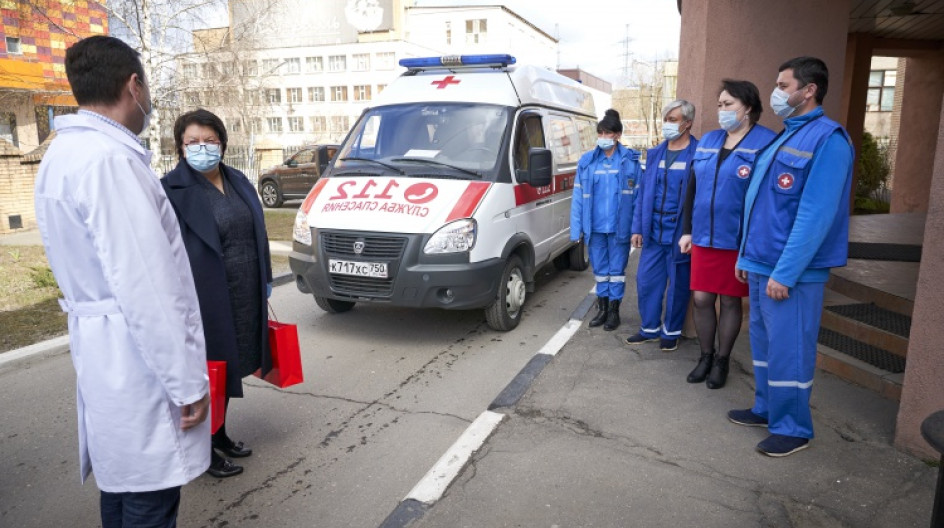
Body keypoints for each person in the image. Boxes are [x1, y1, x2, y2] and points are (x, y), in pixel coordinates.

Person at [34, 35, 210, 526]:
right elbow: (148, 286)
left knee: (122, 485)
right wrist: (186, 383)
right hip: (138, 360)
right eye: (147, 85)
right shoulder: (110, 162)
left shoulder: (64, 155)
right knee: (148, 498)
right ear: (134, 85)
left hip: (105, 350)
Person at [728, 57, 854, 457]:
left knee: (791, 351)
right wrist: (746, 257)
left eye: (783, 85)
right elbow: (757, 203)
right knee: (765, 348)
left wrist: (786, 272)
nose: (777, 92)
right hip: (762, 264)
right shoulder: (785, 135)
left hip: (791, 274)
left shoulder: (828, 139)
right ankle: (767, 408)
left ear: (809, 89)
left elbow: (816, 215)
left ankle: (794, 427)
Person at [162, 109, 273, 478]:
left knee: (230, 367)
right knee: (208, 372)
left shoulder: (238, 179)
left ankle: (221, 434)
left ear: (222, 143)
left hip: (244, 291)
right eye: (192, 141)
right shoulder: (170, 190)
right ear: (180, 147)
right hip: (205, 296)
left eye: (209, 140)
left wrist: (266, 277)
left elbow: (258, 233)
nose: (202, 147)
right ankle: (203, 450)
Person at [679, 80, 776, 389]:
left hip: (737, 241)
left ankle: (722, 360)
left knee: (731, 302)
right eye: (719, 105)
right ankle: (705, 356)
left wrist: (751, 247)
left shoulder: (766, 143)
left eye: (728, 104)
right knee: (702, 299)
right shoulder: (709, 140)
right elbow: (691, 188)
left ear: (747, 107)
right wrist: (687, 231)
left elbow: (767, 202)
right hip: (704, 238)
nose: (722, 110)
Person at [625, 100, 698, 351]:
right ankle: (649, 329)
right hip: (653, 230)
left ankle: (671, 332)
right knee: (646, 281)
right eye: (665, 119)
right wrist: (637, 227)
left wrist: (691, 231)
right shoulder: (655, 153)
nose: (667, 124)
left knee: (678, 284)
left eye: (673, 119)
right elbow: (643, 192)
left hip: (680, 230)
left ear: (687, 123)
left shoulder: (698, 154)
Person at [570, 109, 642, 331]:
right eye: (600, 132)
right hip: (596, 228)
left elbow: (639, 198)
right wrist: (577, 229)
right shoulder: (588, 162)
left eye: (607, 132)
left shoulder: (630, 162)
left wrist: (637, 228)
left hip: (620, 227)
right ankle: (601, 309)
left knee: (617, 272)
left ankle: (614, 312)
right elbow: (578, 199)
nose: (603, 136)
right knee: (600, 271)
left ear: (617, 135)